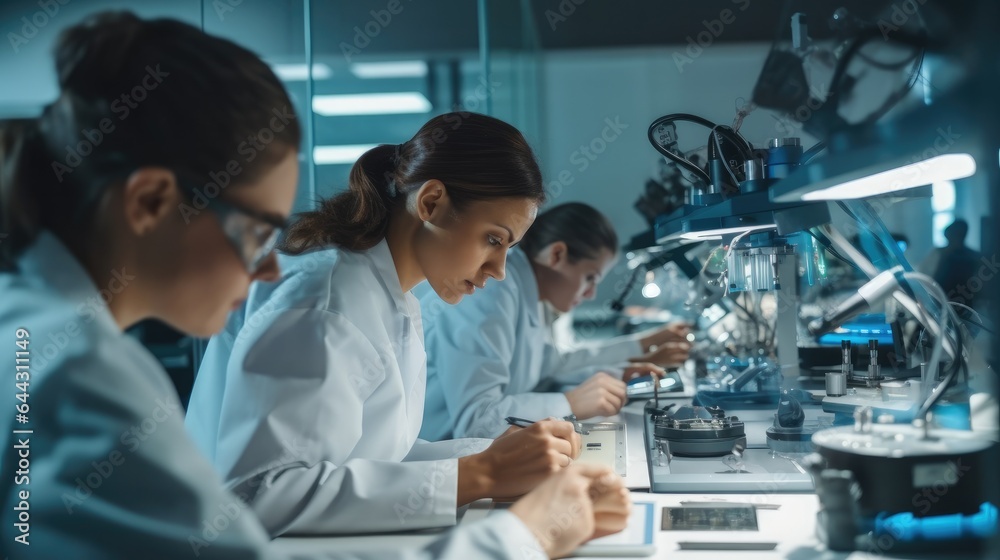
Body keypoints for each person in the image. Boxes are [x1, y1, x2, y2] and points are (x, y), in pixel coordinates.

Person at [0, 12, 626, 560]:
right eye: (255, 233)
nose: (269, 272)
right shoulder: (78, 375)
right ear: (153, 202)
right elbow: (257, 500)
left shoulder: (47, 338)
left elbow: (364, 461)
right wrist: (521, 531)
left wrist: (490, 458)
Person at [184, 112, 622, 543]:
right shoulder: (328, 302)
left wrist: (490, 455)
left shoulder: (391, 295)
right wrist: (482, 473)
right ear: (431, 202)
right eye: (493, 239)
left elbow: (374, 458)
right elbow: (259, 495)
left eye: (509, 247)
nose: (499, 271)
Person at [418, 203, 691, 440]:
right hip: (444, 457)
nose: (591, 294)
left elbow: (551, 365)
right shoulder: (493, 290)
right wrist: (569, 403)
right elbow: (477, 421)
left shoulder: (531, 292)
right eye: (590, 277)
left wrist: (622, 369)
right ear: (557, 255)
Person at [918, 219, 983, 307]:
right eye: (955, 233)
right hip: (940, 302)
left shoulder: (973, 256)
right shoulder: (938, 253)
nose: (957, 237)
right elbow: (924, 277)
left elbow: (981, 285)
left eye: (960, 234)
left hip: (967, 304)